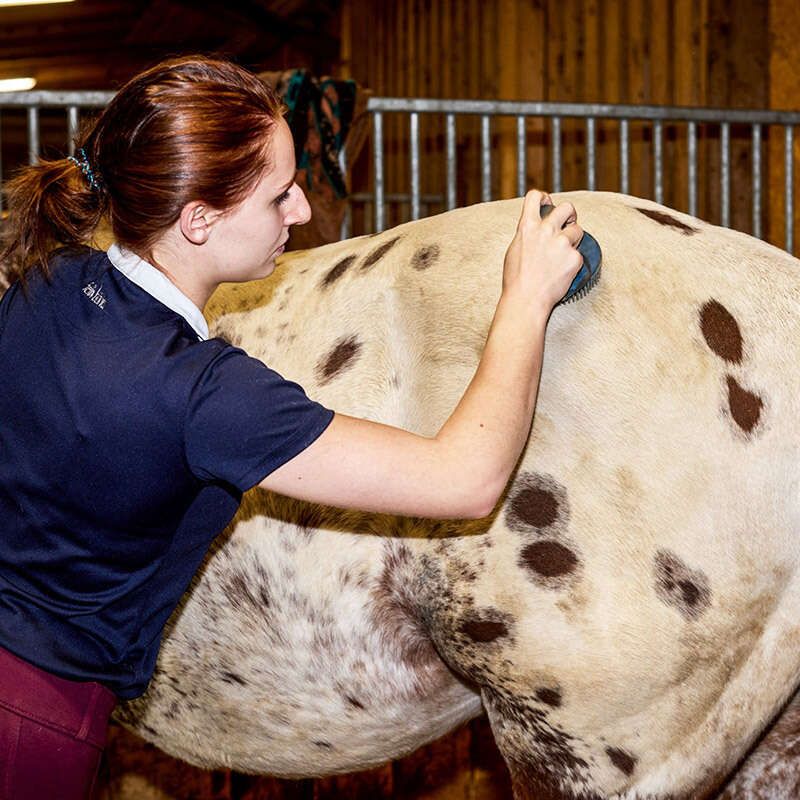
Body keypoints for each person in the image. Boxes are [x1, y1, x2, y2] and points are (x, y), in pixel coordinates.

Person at [0, 55, 583, 799]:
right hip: (36, 726)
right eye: (279, 196)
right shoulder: (205, 394)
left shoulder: (46, 282)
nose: (303, 211)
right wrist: (525, 299)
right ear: (199, 219)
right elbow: (466, 479)